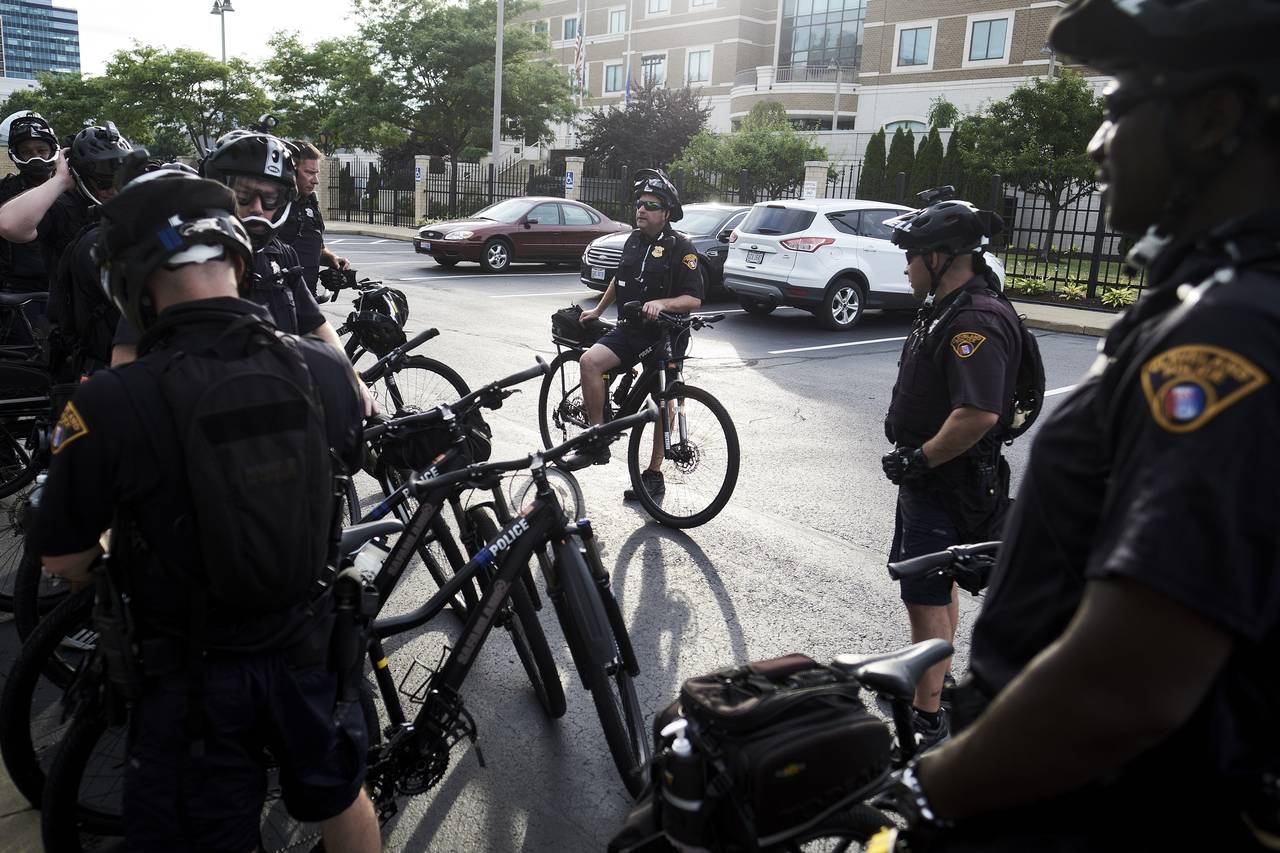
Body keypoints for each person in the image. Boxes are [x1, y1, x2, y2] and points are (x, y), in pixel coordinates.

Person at [881, 1, 1280, 850]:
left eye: (1116, 104)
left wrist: (923, 792)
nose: (1099, 145)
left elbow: (1128, 679)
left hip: (1095, 805)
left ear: (1213, 118)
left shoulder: (1231, 335)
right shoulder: (1210, 302)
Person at [30, 169, 381, 852]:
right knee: (342, 798)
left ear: (132, 282)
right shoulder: (327, 370)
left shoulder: (106, 402)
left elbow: (63, 555)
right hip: (309, 648)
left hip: (190, 677)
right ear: (238, 260)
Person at [879, 197, 1021, 752]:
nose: (906, 267)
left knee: (925, 594)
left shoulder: (973, 320)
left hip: (948, 480)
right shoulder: (947, 304)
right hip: (944, 479)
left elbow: (978, 413)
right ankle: (938, 679)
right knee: (938, 586)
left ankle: (927, 715)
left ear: (940, 257)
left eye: (912, 256)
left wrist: (919, 459)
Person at [109, 130, 375, 414]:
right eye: (243, 196)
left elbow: (317, 325)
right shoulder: (180, 257)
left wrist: (351, 379)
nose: (257, 209)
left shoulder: (282, 255)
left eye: (270, 198)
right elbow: (126, 356)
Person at [574, 168, 704, 498]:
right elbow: (619, 280)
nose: (641, 210)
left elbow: (694, 298)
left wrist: (662, 303)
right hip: (630, 330)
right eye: (639, 203)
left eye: (650, 205)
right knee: (590, 363)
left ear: (666, 213)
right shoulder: (632, 240)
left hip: (665, 336)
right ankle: (596, 438)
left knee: (665, 402)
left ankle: (654, 472)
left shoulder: (682, 248)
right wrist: (599, 311)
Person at [0, 122, 133, 282]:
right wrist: (61, 180)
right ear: (80, 176)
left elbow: (169, 239)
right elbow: (9, 225)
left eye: (120, 182)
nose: (114, 191)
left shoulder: (140, 205)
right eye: (103, 183)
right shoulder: (64, 206)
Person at [278, 139, 349, 298]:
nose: (315, 180)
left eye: (316, 173)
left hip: (308, 302)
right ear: (290, 171)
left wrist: (333, 259)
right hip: (280, 303)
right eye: (309, 173)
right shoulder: (273, 208)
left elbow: (317, 248)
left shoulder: (311, 204)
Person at [0, 112, 59, 295]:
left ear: (52, 150)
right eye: (27, 152)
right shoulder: (3, 190)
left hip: (60, 290)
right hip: (11, 291)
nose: (35, 157)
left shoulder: (72, 190)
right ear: (16, 155)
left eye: (41, 150)